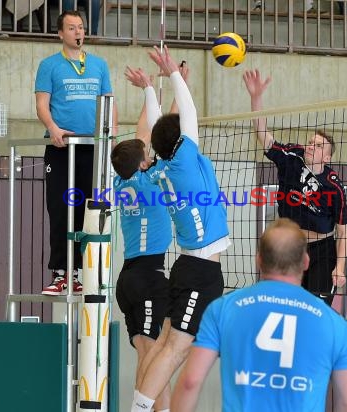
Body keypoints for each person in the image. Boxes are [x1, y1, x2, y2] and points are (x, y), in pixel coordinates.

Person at [171, 218, 347, 412]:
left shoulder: (222, 308)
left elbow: (190, 382)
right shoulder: (335, 324)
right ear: (305, 262)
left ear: (259, 259)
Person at [130, 45, 230, 412]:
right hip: (200, 270)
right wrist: (172, 73)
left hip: (190, 266)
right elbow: (188, 113)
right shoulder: (186, 160)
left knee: (162, 346)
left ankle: (139, 406)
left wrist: (151, 90)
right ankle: (139, 409)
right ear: (182, 142)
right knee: (172, 351)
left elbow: (164, 127)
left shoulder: (159, 169)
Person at [111, 63, 189, 411]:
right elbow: (167, 136)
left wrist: (152, 89)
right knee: (153, 356)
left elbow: (148, 136)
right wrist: (177, 88)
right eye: (146, 156)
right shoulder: (149, 180)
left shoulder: (121, 180)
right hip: (147, 278)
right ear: (144, 163)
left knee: (154, 355)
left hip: (128, 278)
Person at [243, 69, 347, 306]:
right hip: (292, 247)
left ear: (328, 158)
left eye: (319, 145)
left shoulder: (334, 187)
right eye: (311, 142)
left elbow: (343, 232)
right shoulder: (292, 156)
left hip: (323, 250)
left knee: (315, 310)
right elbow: (264, 137)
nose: (311, 146)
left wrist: (340, 267)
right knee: (286, 305)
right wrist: (256, 98)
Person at [35, 10, 117, 295]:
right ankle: (61, 273)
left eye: (81, 27)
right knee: (60, 209)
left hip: (91, 147)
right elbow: (42, 104)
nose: (78, 32)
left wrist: (111, 132)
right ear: (60, 33)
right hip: (61, 147)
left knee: (87, 211)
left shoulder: (99, 65)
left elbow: (108, 101)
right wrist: (52, 127)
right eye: (71, 28)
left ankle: (81, 273)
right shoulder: (49, 65)